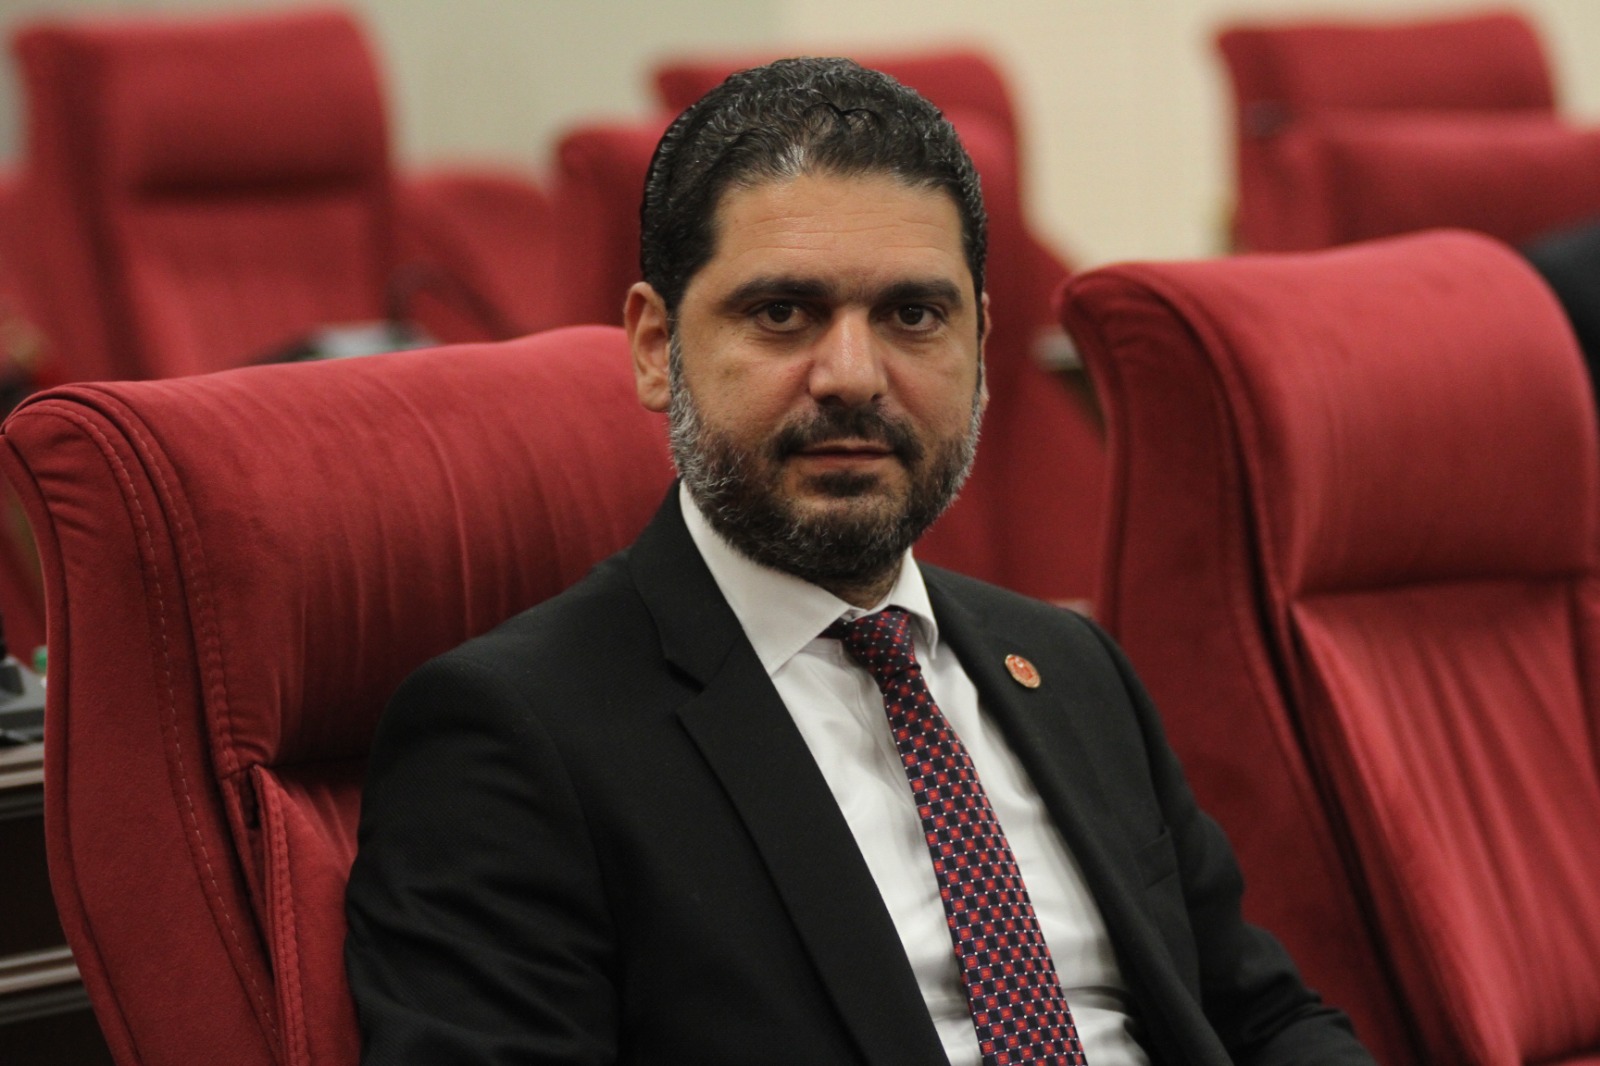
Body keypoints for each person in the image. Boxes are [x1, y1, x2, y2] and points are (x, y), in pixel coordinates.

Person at [344, 57, 1377, 1066]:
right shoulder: (513, 736)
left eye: (912, 316)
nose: (851, 375)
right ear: (657, 346)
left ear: (980, 351)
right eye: (782, 313)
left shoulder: (1070, 666)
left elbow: (1263, 1018)